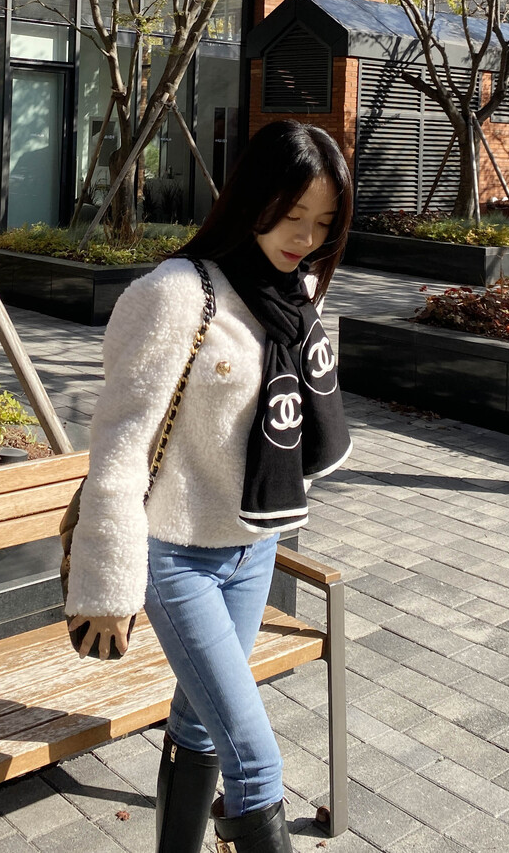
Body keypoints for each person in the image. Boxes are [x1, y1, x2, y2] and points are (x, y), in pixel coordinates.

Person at [65, 120, 354, 853]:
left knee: (198, 723)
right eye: (292, 215)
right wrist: (107, 584)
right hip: (177, 555)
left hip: (254, 545)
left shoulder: (297, 291)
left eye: (324, 223)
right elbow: (120, 447)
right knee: (255, 761)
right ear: (252, 199)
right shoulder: (173, 295)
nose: (306, 238)